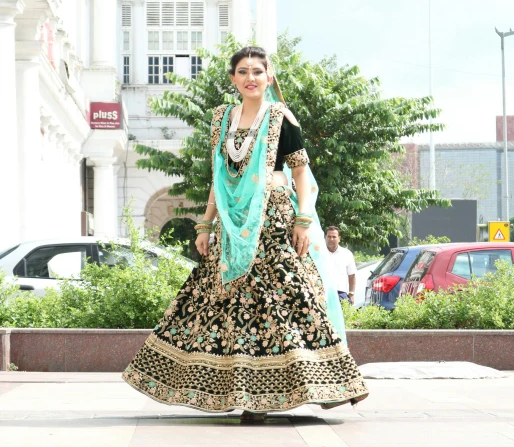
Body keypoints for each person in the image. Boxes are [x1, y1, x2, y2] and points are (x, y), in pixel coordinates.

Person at [122, 46, 369, 419]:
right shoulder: (221, 118)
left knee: (286, 299)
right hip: (230, 220)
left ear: (269, 76)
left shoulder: (280, 117)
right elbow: (219, 177)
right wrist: (205, 224)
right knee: (224, 304)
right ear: (233, 79)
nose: (250, 77)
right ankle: (240, 393)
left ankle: (322, 383)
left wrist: (303, 219)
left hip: (272, 220)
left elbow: (300, 173)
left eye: (257, 71)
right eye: (242, 71)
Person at [325, 226, 357, 304]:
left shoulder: (346, 254)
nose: (331, 239)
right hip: (322, 292)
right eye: (329, 236)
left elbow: (352, 275)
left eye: (334, 237)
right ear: (325, 237)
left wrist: (351, 293)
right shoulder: (319, 253)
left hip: (340, 293)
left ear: (339, 238)